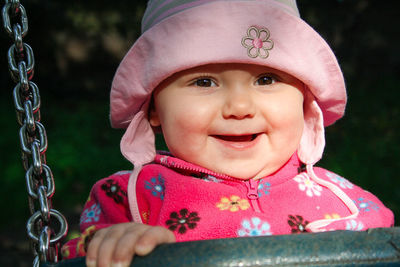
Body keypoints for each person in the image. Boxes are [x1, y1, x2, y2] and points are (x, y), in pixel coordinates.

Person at [61, 1, 394, 266]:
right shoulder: (131, 201)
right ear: (154, 109)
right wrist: (114, 246)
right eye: (204, 82)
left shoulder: (349, 205)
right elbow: (75, 254)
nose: (239, 106)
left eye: (266, 79)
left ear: (304, 100)